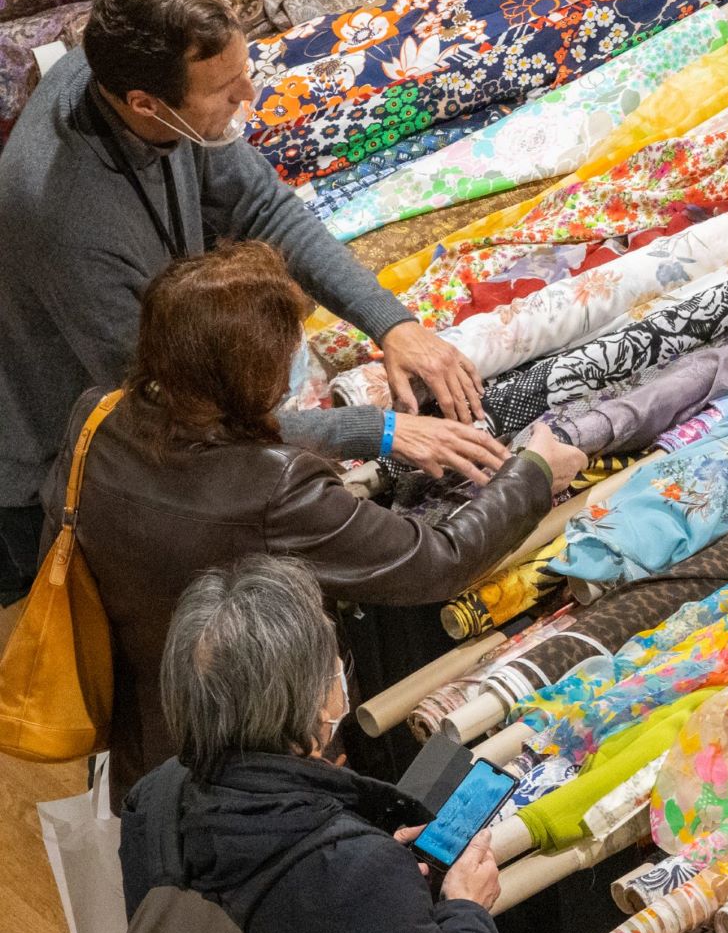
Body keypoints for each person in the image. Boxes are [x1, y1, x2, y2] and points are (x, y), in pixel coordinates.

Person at [0, 0, 503, 605]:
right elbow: (185, 423)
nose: (249, 98)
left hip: (135, 411)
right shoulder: (70, 224)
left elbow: (265, 210)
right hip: (46, 476)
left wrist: (393, 324)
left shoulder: (126, 85)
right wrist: (380, 431)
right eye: (227, 89)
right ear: (145, 103)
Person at [52, 242, 587, 806]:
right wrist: (533, 472)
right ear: (257, 374)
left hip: (143, 721)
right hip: (257, 748)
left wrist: (378, 430)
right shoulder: (278, 490)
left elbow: (218, 441)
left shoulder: (98, 416)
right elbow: (436, 560)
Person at [119, 555, 505, 933]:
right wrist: (465, 913)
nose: (340, 678)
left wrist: (379, 889)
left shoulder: (154, 798)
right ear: (305, 704)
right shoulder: (359, 875)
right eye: (332, 667)